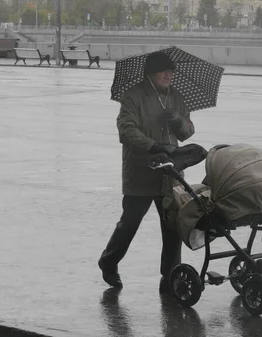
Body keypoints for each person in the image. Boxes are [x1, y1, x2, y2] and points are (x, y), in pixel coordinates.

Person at [98, 51, 195, 289]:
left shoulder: (176, 97)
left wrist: (179, 123)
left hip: (170, 173)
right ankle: (109, 261)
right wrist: (153, 146)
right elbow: (126, 130)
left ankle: (170, 273)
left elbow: (188, 130)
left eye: (171, 71)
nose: (168, 75)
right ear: (150, 73)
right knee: (130, 222)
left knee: (172, 225)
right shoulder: (133, 97)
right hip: (140, 171)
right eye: (163, 71)